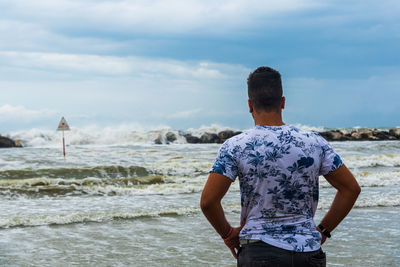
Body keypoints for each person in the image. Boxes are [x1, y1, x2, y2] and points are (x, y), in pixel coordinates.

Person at [200, 66, 361, 266]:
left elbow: (208, 201)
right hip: (308, 252)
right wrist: (324, 230)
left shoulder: (236, 146)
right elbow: (351, 189)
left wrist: (227, 234)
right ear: (283, 102)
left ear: (250, 105)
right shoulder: (314, 142)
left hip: (259, 251)